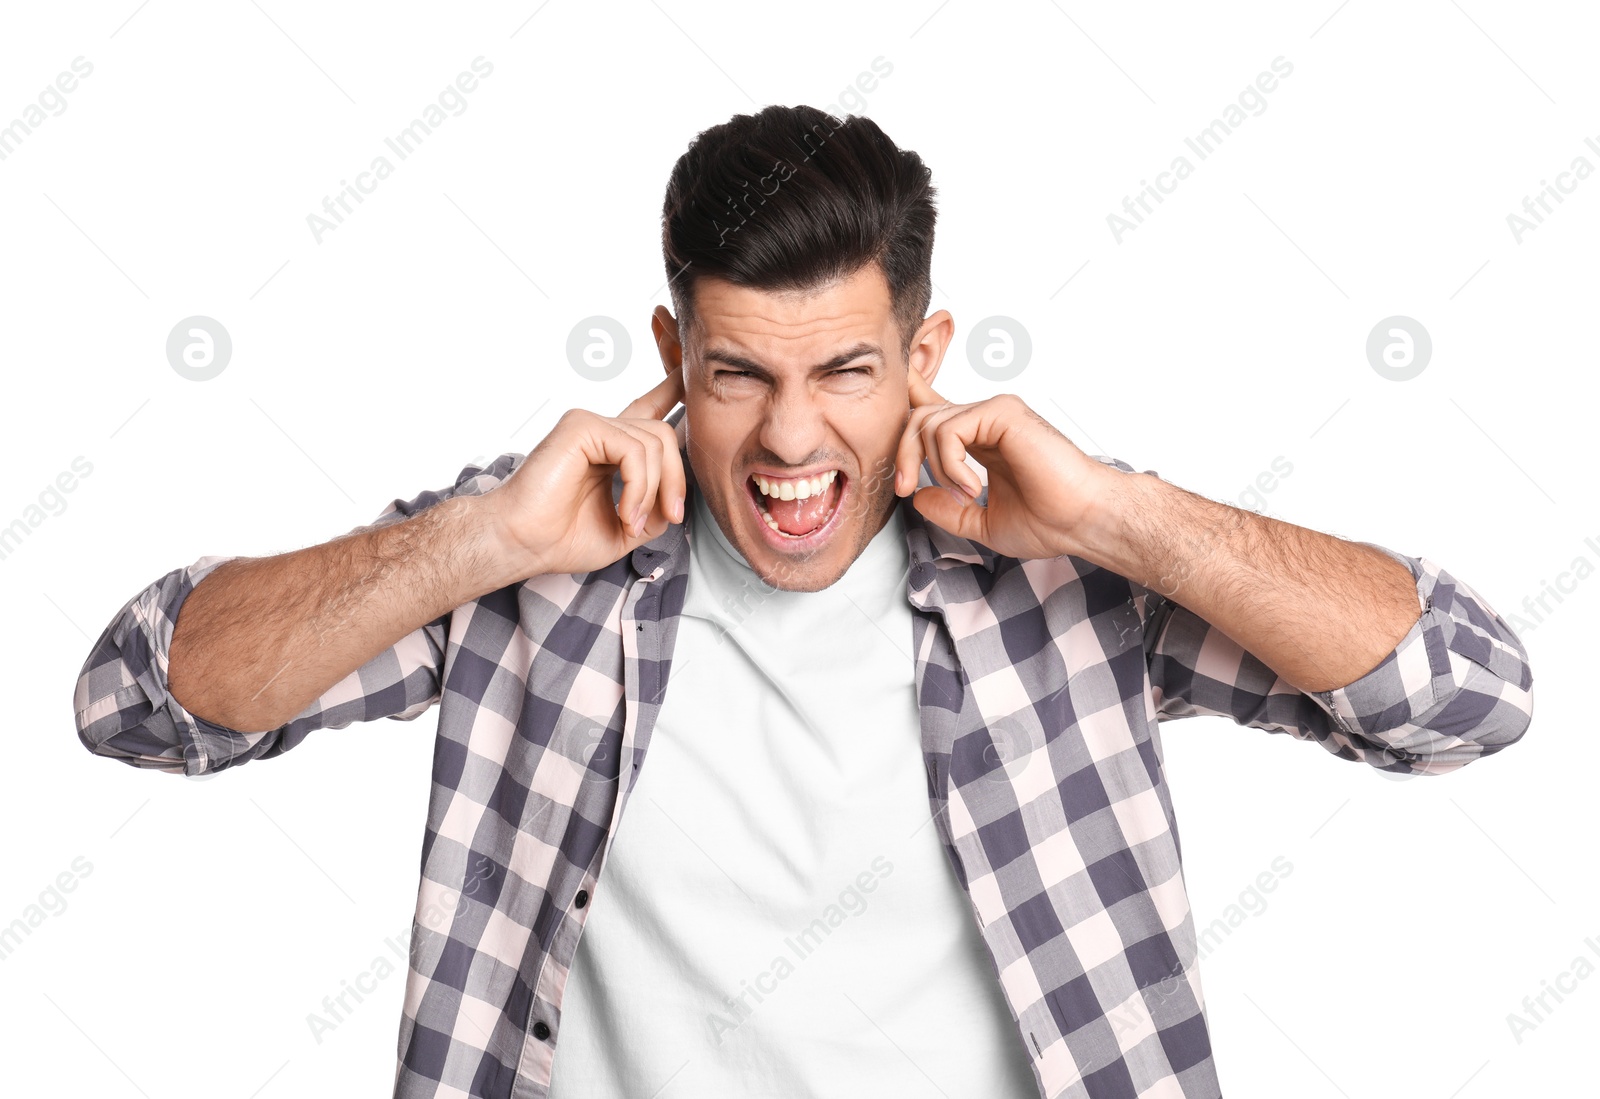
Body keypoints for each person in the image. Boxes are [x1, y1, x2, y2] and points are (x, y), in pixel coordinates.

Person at [73, 104, 1535, 1099]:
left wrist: (1114, 514)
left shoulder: (1062, 550)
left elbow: (1469, 698)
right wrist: (477, 545)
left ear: (925, 350)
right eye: (738, 375)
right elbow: (140, 706)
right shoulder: (533, 552)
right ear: (670, 349)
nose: (788, 443)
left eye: (844, 370)